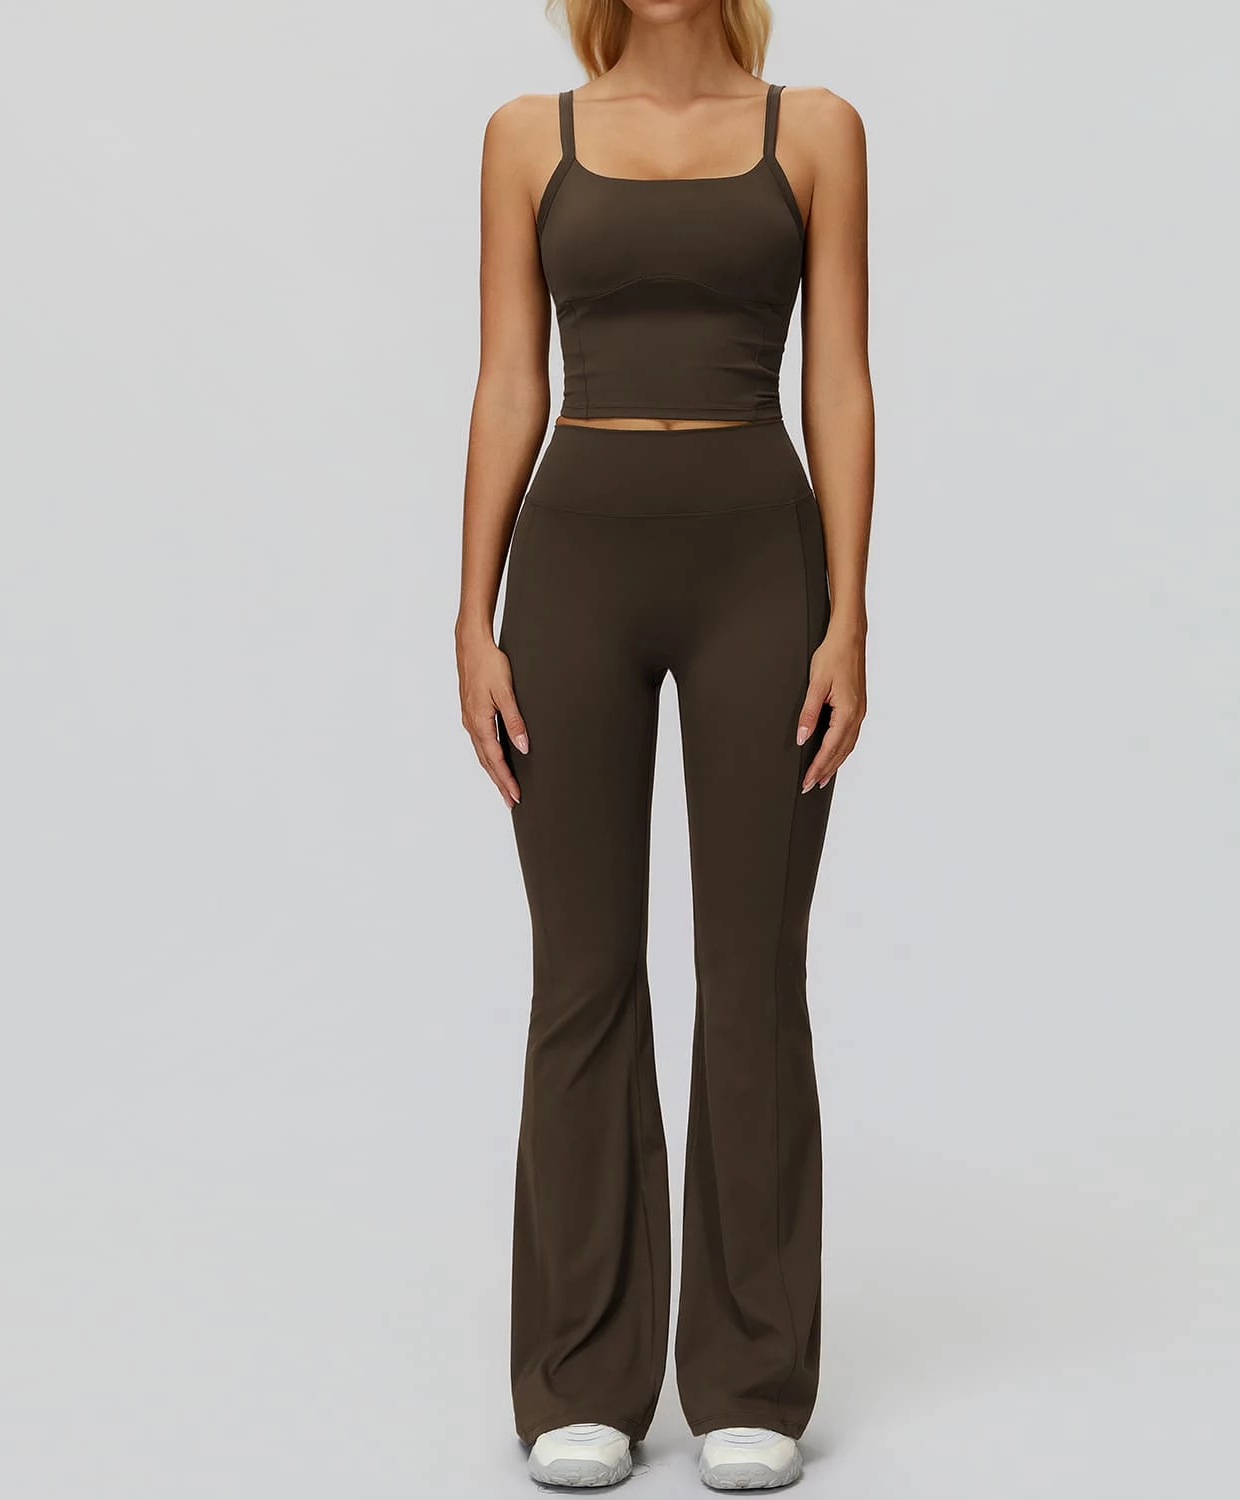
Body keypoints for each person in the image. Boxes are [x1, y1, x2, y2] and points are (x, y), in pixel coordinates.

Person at [454, 0, 873, 1488]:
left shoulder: (815, 130)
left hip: (762, 562)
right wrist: (471, 614)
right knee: (580, 974)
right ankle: (583, 1377)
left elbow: (839, 378)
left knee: (753, 974)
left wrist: (849, 613)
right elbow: (512, 379)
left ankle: (751, 1378)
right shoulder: (528, 137)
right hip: (573, 567)